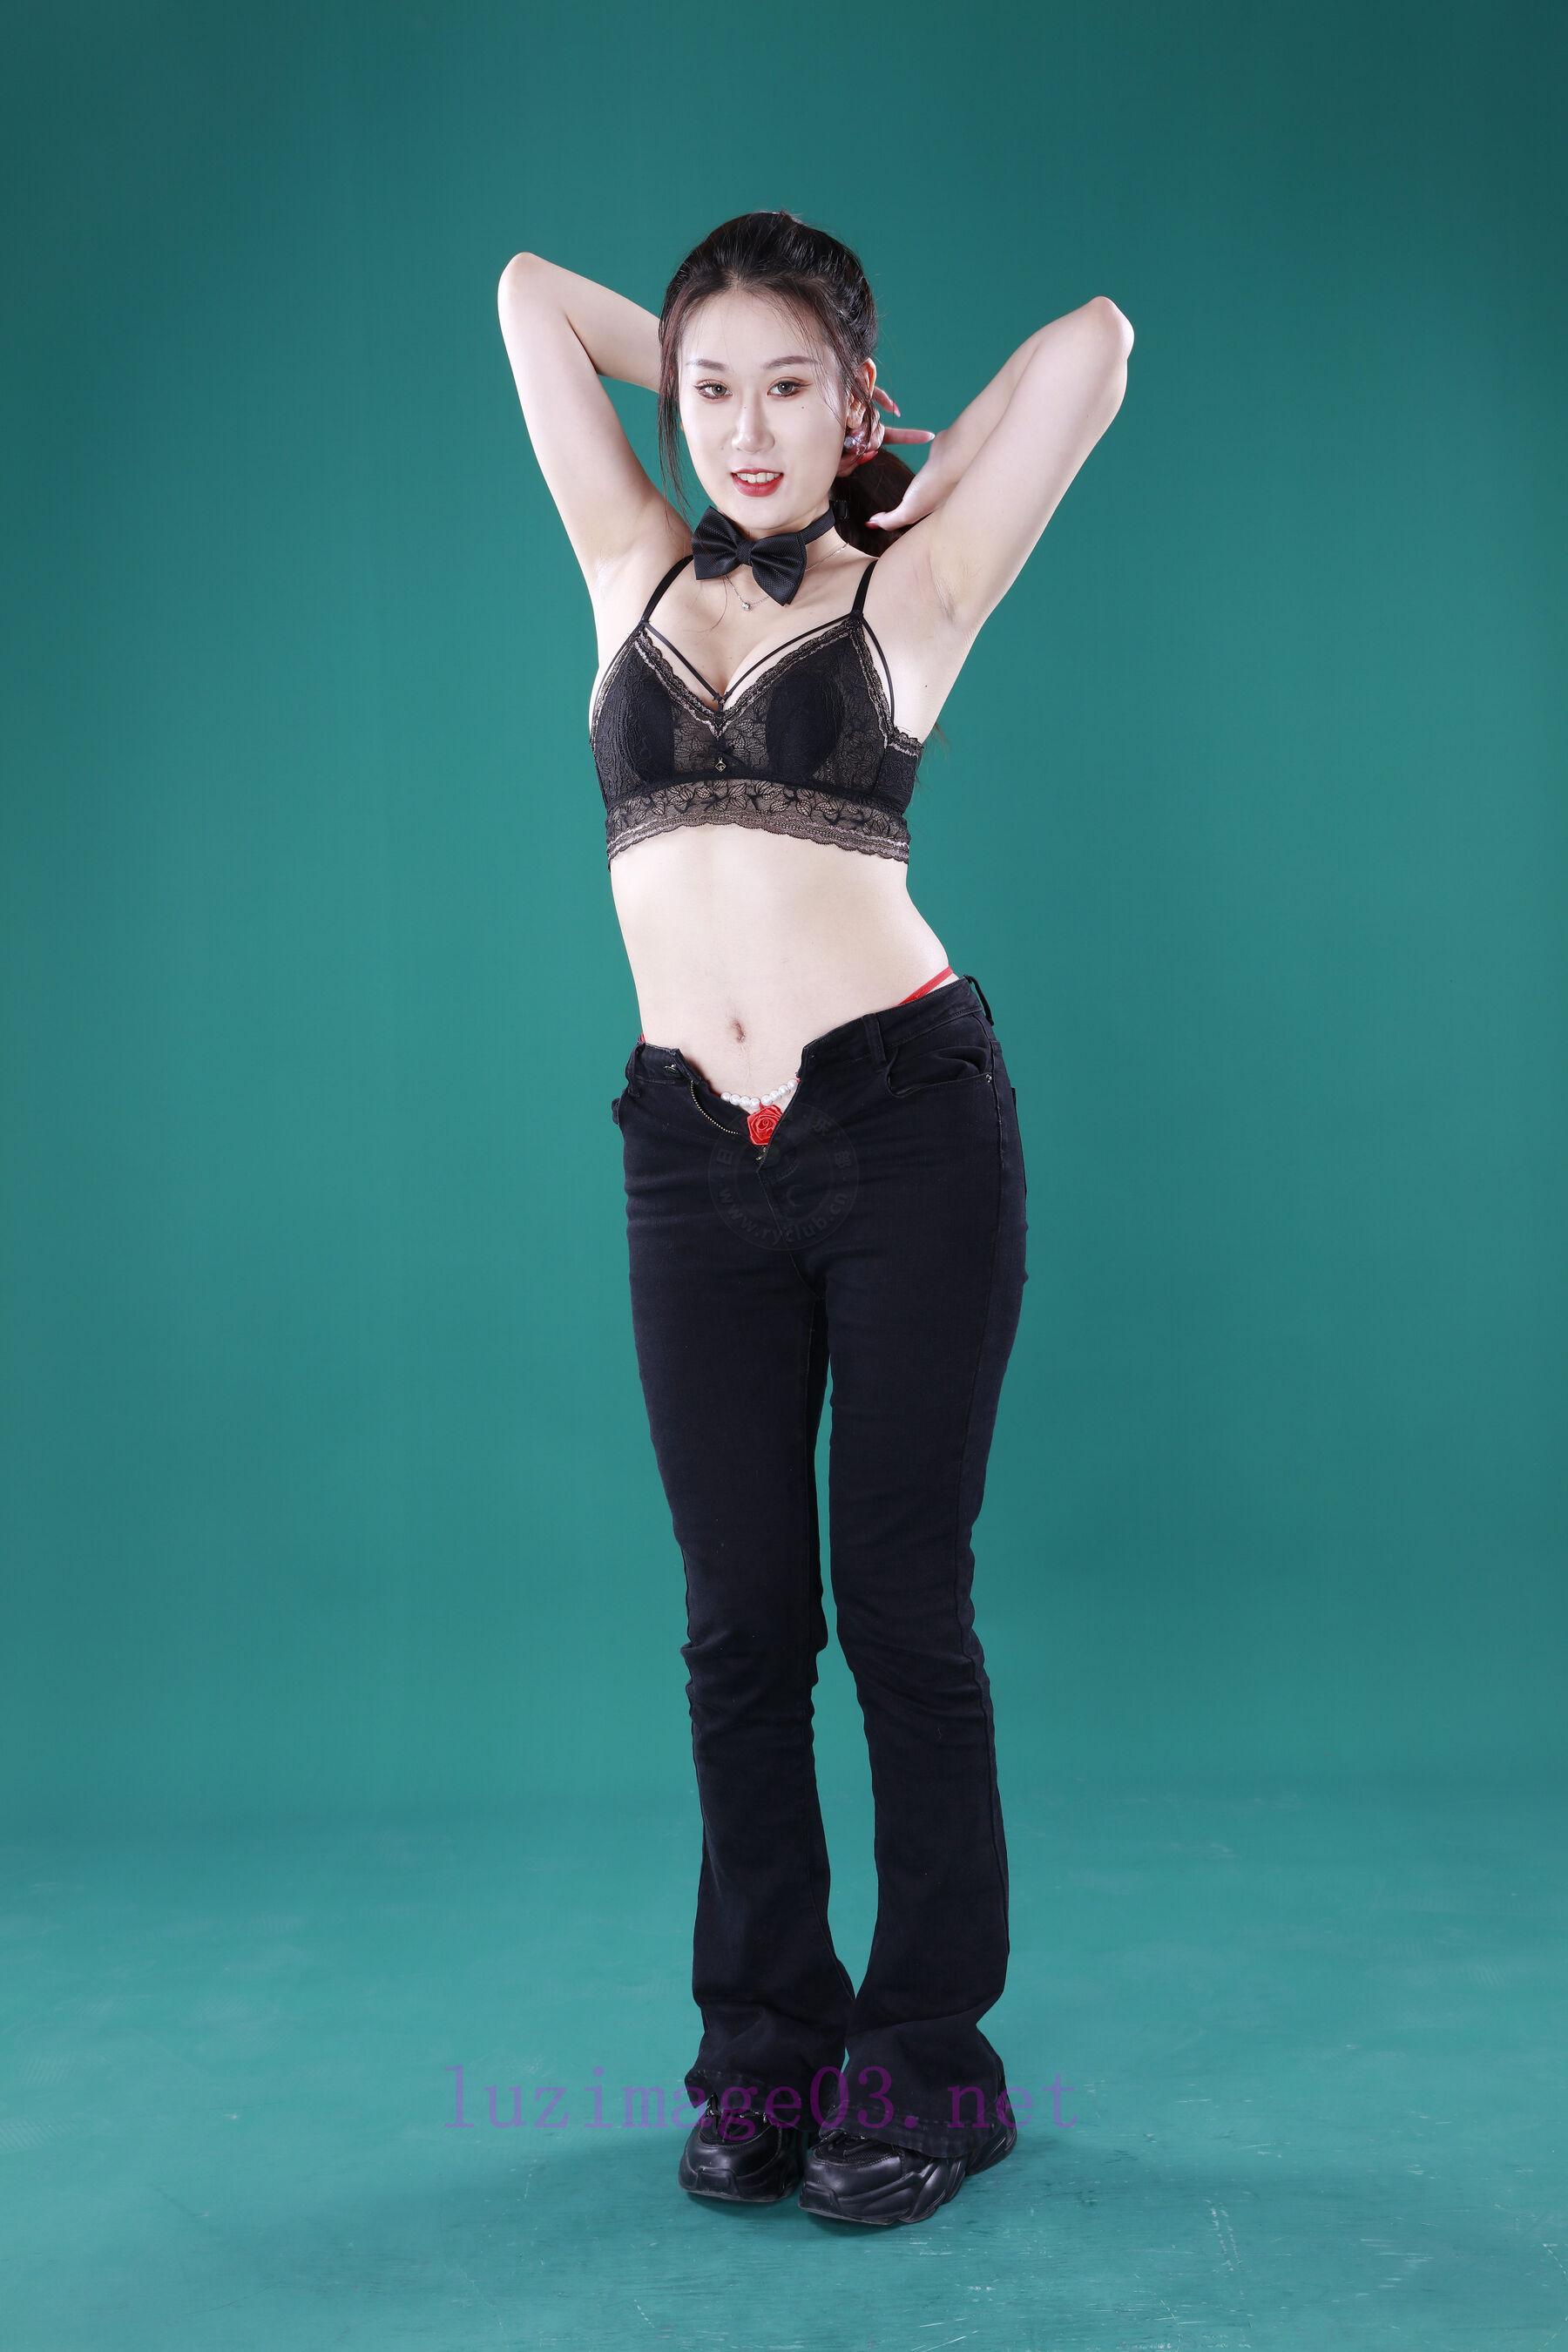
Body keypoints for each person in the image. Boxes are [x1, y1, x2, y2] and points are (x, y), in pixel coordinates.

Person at [497, 210, 1132, 2228]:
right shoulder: (625, 562)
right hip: (690, 1151)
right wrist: (699, 339)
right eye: (712, 390)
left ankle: (928, 2070)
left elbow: (1096, 341)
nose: (746, 431)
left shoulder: (912, 582)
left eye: (791, 390)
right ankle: (765, 2056)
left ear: (850, 399)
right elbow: (527, 297)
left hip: (905, 1128)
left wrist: (893, 452)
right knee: (739, 1629)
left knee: (903, 1611)